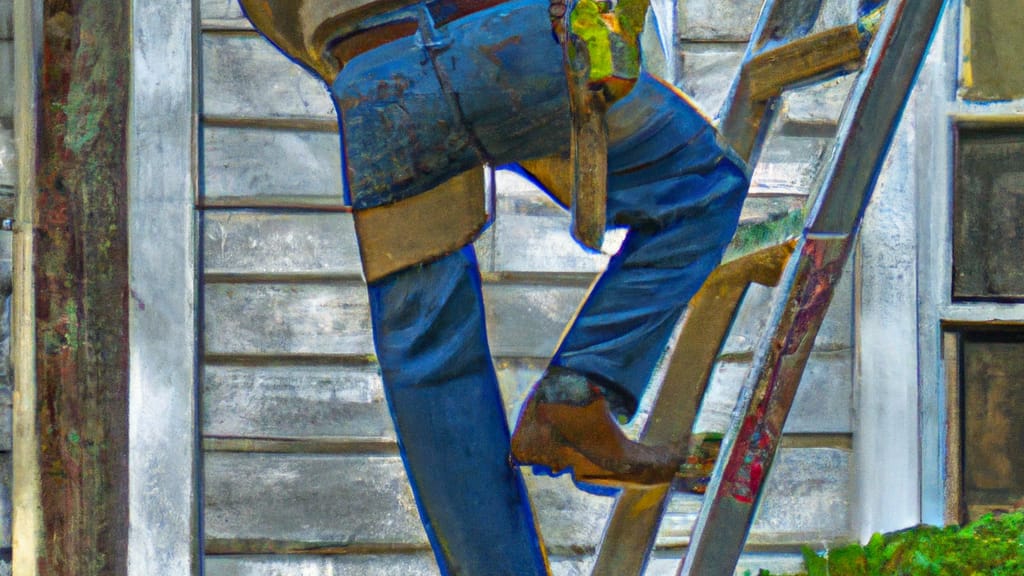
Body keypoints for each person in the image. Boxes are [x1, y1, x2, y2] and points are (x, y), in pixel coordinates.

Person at [241, 0, 749, 573]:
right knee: (700, 188)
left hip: (371, 80)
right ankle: (576, 393)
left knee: (432, 363)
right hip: (504, 39)